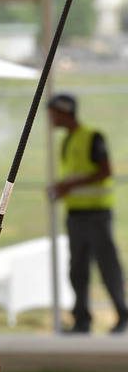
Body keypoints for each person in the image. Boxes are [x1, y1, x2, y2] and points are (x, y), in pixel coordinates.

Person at [47, 93, 128, 334]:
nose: (51, 118)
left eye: (54, 113)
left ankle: (123, 315)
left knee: (107, 267)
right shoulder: (68, 140)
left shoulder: (92, 136)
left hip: (97, 214)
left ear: (64, 112)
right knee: (77, 269)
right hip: (76, 214)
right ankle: (82, 320)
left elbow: (104, 171)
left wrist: (69, 186)